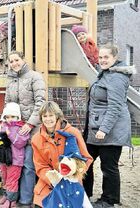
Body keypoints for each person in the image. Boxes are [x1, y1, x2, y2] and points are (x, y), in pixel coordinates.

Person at [83, 44, 135, 208]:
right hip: (96, 129)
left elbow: (115, 107)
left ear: (114, 58)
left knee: (108, 166)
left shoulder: (117, 78)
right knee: (85, 161)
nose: (102, 60)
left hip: (109, 131)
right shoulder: (106, 74)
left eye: (106, 57)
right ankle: (85, 194)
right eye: (100, 57)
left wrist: (104, 129)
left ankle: (109, 200)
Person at [31, 101, 93, 208]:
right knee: (42, 203)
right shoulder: (36, 139)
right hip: (49, 180)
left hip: (71, 180)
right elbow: (40, 166)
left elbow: (85, 158)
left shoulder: (73, 132)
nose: (48, 119)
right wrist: (54, 178)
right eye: (44, 116)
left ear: (57, 116)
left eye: (51, 115)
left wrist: (73, 175)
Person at [5, 51, 46, 207]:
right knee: (14, 164)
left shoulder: (35, 77)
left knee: (28, 165)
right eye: (11, 61)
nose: (14, 63)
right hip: (15, 131)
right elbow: (7, 104)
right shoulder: (10, 81)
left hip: (31, 129)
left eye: (17, 60)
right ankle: (12, 197)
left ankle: (26, 200)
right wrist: (6, 125)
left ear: (23, 60)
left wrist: (30, 124)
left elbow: (41, 102)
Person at [0, 102, 30, 207]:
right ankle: (6, 196)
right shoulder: (3, 126)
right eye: (7, 117)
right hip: (4, 158)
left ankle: (11, 201)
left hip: (15, 159)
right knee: (4, 177)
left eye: (13, 116)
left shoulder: (21, 128)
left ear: (18, 116)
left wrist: (10, 135)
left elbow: (20, 143)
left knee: (12, 179)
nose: (10, 119)